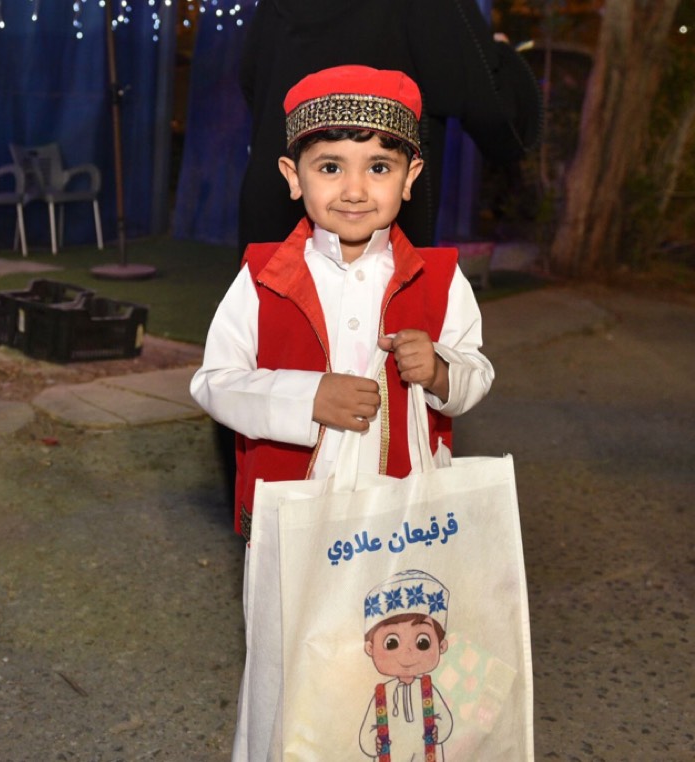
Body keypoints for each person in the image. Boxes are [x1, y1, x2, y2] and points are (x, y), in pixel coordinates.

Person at [189, 65, 494, 758]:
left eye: (378, 167)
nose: (355, 189)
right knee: (291, 657)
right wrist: (307, 398)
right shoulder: (262, 277)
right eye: (330, 166)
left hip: (404, 518)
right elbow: (215, 381)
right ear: (292, 177)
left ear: (410, 177)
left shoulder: (442, 279)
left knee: (393, 662)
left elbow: (476, 372)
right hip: (294, 516)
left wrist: (441, 371)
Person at [236, 0, 542, 254]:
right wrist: (501, 56)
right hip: (378, 228)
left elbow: (251, 77)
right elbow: (489, 106)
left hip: (276, 209)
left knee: (269, 308)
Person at [359, 570, 454, 760]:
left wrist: (439, 731)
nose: (407, 653)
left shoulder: (428, 690)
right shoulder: (382, 695)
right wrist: (373, 743)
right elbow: (367, 732)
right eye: (391, 643)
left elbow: (445, 719)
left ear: (442, 645)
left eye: (422, 642)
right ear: (370, 648)